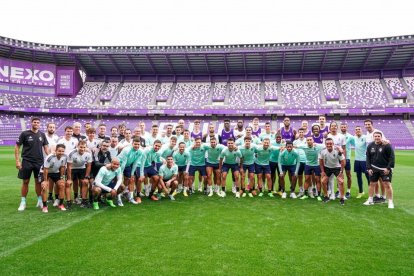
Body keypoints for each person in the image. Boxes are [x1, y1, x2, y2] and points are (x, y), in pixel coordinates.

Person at [16, 117, 49, 211]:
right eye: (34, 122)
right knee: (25, 182)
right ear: (31, 123)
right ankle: (23, 202)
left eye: (38, 122)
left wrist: (51, 156)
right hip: (27, 161)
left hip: (39, 162)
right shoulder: (25, 133)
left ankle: (39, 200)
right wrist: (17, 161)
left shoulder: (42, 134)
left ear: (39, 124)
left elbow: (46, 148)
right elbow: (17, 147)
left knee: (38, 182)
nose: (36, 124)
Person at [363, 132, 395, 209]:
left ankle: (390, 202)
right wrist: (369, 168)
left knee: (387, 184)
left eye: (378, 136)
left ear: (381, 137)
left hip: (384, 169)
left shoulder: (386, 145)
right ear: (373, 137)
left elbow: (392, 157)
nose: (377, 137)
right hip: (374, 168)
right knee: (372, 184)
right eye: (375, 136)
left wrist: (388, 168)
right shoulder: (370, 145)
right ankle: (370, 200)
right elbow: (368, 157)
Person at [39, 144, 67, 213]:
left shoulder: (64, 157)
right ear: (56, 151)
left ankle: (60, 204)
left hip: (55, 172)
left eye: (62, 151)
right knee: (44, 186)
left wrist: (61, 177)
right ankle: (45, 206)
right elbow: (45, 169)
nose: (61, 153)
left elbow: (62, 167)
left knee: (62, 185)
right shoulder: (50, 157)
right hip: (45, 172)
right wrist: (45, 181)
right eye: (59, 151)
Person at [118, 138, 145, 205]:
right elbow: (123, 163)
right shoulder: (126, 150)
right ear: (132, 144)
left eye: (138, 144)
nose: (137, 146)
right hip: (119, 165)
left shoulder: (140, 151)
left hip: (127, 165)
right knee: (118, 181)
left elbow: (135, 163)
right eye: (135, 144)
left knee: (131, 180)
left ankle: (130, 197)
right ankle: (118, 199)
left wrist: (132, 174)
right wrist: (120, 175)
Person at [319, 138, 346, 205]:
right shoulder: (323, 151)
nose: (329, 145)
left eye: (330, 143)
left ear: (333, 144)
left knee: (341, 182)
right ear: (325, 144)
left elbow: (343, 161)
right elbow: (321, 161)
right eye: (327, 144)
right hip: (327, 168)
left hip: (337, 167)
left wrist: (341, 171)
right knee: (323, 181)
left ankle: (342, 198)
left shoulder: (337, 150)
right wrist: (322, 171)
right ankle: (326, 196)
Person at [67, 140, 92, 208]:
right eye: (81, 147)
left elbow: (89, 166)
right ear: (77, 146)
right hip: (72, 168)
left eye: (84, 147)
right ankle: (69, 202)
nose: (82, 149)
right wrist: (69, 179)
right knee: (69, 184)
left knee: (85, 182)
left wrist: (86, 177)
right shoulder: (71, 153)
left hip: (82, 168)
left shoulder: (88, 154)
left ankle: (84, 201)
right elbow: (69, 166)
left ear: (86, 147)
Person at [299, 137, 324, 201]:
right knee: (307, 179)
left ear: (313, 141)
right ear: (306, 141)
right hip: (308, 165)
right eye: (308, 140)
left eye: (310, 140)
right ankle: (305, 195)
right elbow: (294, 146)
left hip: (317, 165)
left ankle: (318, 195)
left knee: (317, 179)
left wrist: (339, 148)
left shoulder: (318, 146)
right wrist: (283, 147)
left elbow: (327, 145)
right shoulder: (304, 146)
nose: (309, 141)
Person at [353, 126, 369, 198]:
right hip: (357, 160)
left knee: (368, 177)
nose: (357, 130)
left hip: (364, 160)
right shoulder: (353, 138)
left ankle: (371, 192)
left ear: (361, 130)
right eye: (356, 129)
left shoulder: (365, 137)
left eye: (359, 129)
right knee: (358, 177)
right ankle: (361, 191)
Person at [340, 122, 354, 198]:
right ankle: (338, 190)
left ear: (347, 127)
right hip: (339, 159)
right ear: (340, 128)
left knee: (348, 175)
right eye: (342, 127)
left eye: (344, 127)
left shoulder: (350, 137)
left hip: (347, 158)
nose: (343, 128)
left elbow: (356, 145)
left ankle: (348, 191)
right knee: (339, 175)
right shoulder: (338, 136)